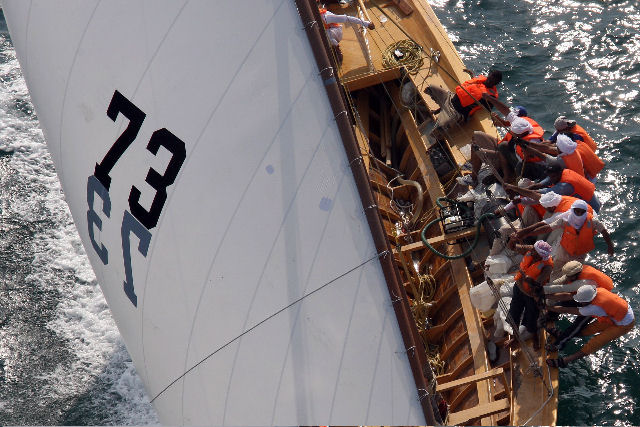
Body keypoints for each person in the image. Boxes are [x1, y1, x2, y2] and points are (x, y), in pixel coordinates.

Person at [511, 199, 614, 278]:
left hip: (579, 255)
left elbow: (604, 231)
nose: (578, 214)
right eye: (576, 211)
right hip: (564, 250)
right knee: (555, 270)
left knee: (572, 274)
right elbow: (548, 228)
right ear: (572, 210)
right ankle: (549, 287)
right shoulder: (565, 219)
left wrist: (610, 246)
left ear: (585, 212)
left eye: (581, 212)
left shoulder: (593, 221)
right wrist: (527, 233)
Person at [545, 284, 634, 368]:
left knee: (594, 343)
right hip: (613, 315)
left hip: (624, 324)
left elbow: (566, 310)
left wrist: (547, 307)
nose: (580, 303)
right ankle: (561, 335)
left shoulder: (595, 308)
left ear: (588, 301)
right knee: (582, 331)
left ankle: (565, 361)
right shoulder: (598, 291)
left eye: (581, 302)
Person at [543, 261, 614, 351]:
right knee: (561, 303)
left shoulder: (584, 282)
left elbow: (562, 289)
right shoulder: (576, 272)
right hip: (584, 296)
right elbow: (562, 281)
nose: (567, 278)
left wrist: (541, 291)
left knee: (577, 326)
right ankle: (550, 317)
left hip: (592, 303)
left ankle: (559, 344)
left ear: (575, 275)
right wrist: (548, 286)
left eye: (569, 276)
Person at [504, 240, 554, 350]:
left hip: (531, 295)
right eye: (532, 249)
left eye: (534, 252)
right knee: (514, 312)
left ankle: (535, 337)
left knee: (532, 317)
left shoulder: (547, 267)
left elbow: (538, 285)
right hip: (518, 289)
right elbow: (513, 246)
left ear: (540, 255)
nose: (531, 251)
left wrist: (530, 281)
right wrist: (511, 240)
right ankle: (514, 337)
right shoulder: (531, 249)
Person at [423, 69, 502, 136]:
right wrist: (471, 75)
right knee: (431, 88)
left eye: (492, 81)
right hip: (450, 97)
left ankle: (437, 144)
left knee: (439, 128)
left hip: (456, 112)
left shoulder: (491, 97)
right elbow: (473, 85)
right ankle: (440, 109)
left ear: (496, 83)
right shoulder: (481, 80)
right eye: (490, 77)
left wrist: (494, 118)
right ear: (489, 75)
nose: (489, 80)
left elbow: (488, 110)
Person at [529, 162, 601, 212]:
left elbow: (547, 192)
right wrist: (536, 185)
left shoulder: (565, 186)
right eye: (550, 176)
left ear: (559, 173)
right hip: (594, 201)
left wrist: (524, 191)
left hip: (592, 208)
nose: (552, 178)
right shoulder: (566, 171)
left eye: (553, 176)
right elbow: (549, 179)